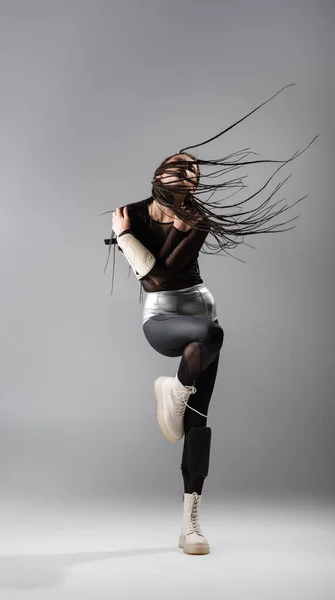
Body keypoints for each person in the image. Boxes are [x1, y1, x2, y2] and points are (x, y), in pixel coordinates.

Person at [102, 84, 317, 556]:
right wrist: (123, 238)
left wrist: (144, 241)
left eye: (194, 172)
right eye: (182, 167)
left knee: (198, 418)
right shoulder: (130, 215)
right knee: (208, 336)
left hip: (201, 312)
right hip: (162, 320)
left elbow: (166, 272)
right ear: (161, 175)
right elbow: (156, 285)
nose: (190, 173)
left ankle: (190, 522)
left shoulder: (196, 218)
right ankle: (173, 388)